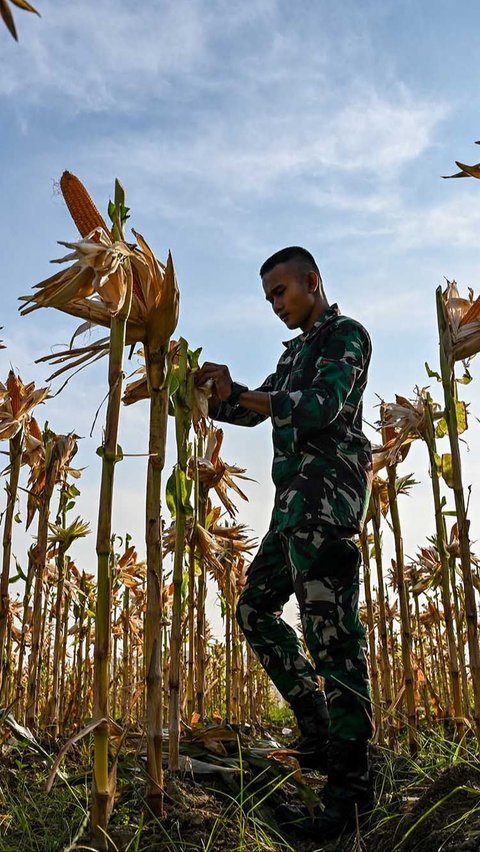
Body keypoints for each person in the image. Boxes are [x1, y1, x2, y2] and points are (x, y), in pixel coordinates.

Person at [195, 246, 374, 838]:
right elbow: (253, 411)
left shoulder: (345, 337)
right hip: (291, 511)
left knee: (334, 643)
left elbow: (319, 409)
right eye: (268, 298)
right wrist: (219, 391)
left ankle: (349, 798)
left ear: (312, 282)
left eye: (281, 293)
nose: (275, 306)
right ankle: (318, 733)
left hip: (326, 507)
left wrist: (245, 396)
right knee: (253, 610)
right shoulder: (296, 352)